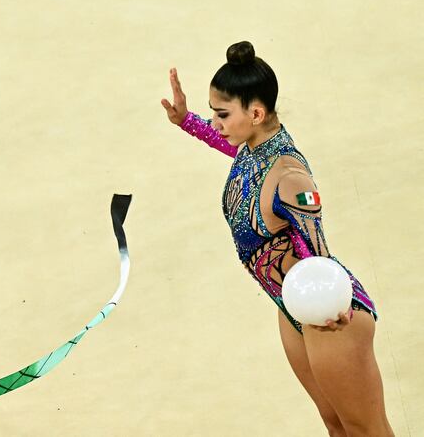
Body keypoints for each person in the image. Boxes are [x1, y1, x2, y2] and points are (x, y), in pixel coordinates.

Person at [161, 40, 393, 436]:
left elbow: (318, 250)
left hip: (332, 317)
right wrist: (188, 121)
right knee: (336, 424)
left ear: (255, 112)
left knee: (366, 430)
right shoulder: (253, 147)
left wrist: (333, 304)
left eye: (221, 114)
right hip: (291, 305)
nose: (216, 122)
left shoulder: (290, 177)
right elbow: (228, 146)